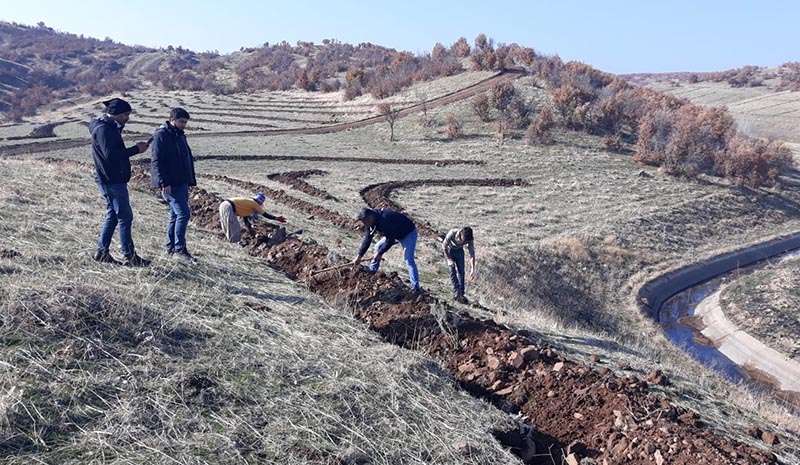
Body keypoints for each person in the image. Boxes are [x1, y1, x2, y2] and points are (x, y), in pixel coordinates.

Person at [90, 97, 151, 266]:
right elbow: (111, 155)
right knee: (125, 216)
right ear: (115, 113)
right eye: (125, 114)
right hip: (111, 180)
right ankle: (129, 257)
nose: (127, 118)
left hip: (112, 179)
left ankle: (102, 253)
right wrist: (136, 149)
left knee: (113, 215)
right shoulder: (104, 130)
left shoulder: (109, 127)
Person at [150, 108, 197, 261]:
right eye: (181, 121)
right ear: (172, 119)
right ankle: (179, 250)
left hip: (181, 182)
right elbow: (157, 161)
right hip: (170, 184)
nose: (184, 125)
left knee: (175, 215)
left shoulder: (179, 135)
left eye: (185, 122)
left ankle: (170, 248)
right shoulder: (161, 135)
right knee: (183, 214)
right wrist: (164, 183)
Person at [352, 208, 419, 292]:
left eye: (365, 222)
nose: (365, 224)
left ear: (370, 218)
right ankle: (372, 271)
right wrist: (359, 256)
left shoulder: (385, 220)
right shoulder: (370, 223)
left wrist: (380, 253)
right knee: (377, 247)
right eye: (363, 222)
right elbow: (367, 239)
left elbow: (390, 240)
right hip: (394, 233)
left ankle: (415, 287)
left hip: (408, 233)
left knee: (409, 260)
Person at [218, 193, 286, 242]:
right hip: (229, 207)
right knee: (235, 228)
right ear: (260, 202)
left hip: (223, 205)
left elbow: (245, 219)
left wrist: (250, 229)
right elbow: (265, 214)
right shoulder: (254, 204)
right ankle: (233, 243)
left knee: (227, 226)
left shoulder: (248, 203)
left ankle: (228, 240)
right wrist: (276, 218)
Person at [442, 227, 476, 303]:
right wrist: (449, 259)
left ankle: (461, 294)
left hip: (460, 252)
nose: (464, 241)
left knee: (461, 272)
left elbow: (472, 254)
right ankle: (456, 291)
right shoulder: (452, 233)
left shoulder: (469, 238)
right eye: (464, 239)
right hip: (449, 251)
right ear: (461, 234)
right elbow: (444, 246)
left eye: (466, 241)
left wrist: (472, 269)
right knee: (452, 271)